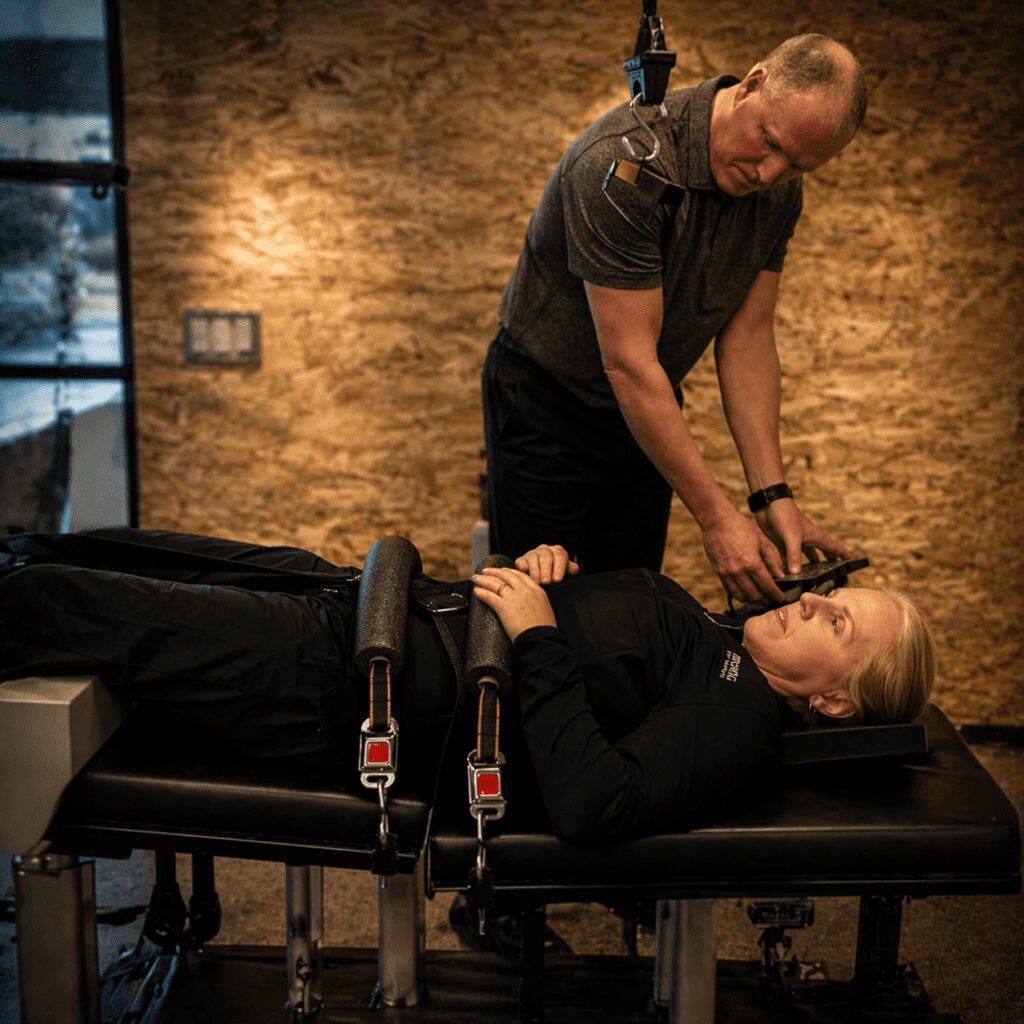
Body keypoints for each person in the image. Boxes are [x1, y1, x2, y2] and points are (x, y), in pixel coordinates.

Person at [0, 529, 933, 844]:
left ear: (835, 702)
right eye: (830, 598)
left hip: (343, 684)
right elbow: (596, 662)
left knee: (51, 601)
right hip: (365, 607)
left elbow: (594, 803)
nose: (812, 605)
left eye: (836, 624)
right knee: (98, 549)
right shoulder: (717, 642)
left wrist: (534, 636)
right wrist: (554, 576)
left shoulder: (738, 721)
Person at [483, 34, 868, 604]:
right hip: (547, 400)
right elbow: (629, 363)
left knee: (629, 603)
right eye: (768, 143)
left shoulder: (780, 194)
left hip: (649, 402)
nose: (770, 173)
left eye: (797, 166)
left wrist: (771, 496)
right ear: (753, 84)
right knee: (542, 603)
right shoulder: (622, 163)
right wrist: (717, 519)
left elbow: (748, 342)